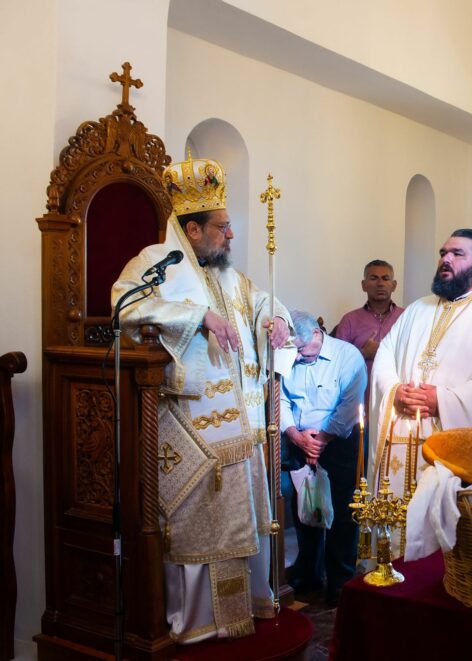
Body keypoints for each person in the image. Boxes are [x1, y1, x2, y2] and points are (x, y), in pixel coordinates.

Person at [111, 156, 291, 642]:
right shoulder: (154, 263)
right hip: (187, 420)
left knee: (241, 517)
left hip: (240, 423)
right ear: (192, 230)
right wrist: (198, 317)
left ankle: (242, 611)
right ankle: (196, 623)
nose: (230, 236)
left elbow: (259, 302)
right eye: (223, 227)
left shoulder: (229, 275)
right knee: (198, 519)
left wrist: (273, 320)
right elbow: (124, 304)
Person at [369, 229, 472, 495]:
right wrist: (394, 391)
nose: (446, 258)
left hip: (455, 445)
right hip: (404, 437)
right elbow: (385, 355)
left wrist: (443, 402)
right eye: (443, 253)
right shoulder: (416, 309)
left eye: (457, 254)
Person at [280, 309, 366, 606]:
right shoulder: (288, 355)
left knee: (343, 513)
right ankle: (308, 575)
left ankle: (341, 583)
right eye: (295, 350)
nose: (300, 355)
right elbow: (280, 397)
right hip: (299, 441)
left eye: (304, 348)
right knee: (306, 511)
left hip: (339, 441)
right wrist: (294, 435)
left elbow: (349, 404)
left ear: (318, 334)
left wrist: (323, 438)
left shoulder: (347, 356)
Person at [335, 260, 405, 379]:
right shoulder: (349, 320)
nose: (380, 283)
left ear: (394, 285)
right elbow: (336, 363)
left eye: (385, 278)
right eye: (374, 278)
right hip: (360, 394)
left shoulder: (406, 317)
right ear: (364, 285)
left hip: (397, 393)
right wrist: (363, 354)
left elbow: (418, 357)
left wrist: (383, 353)